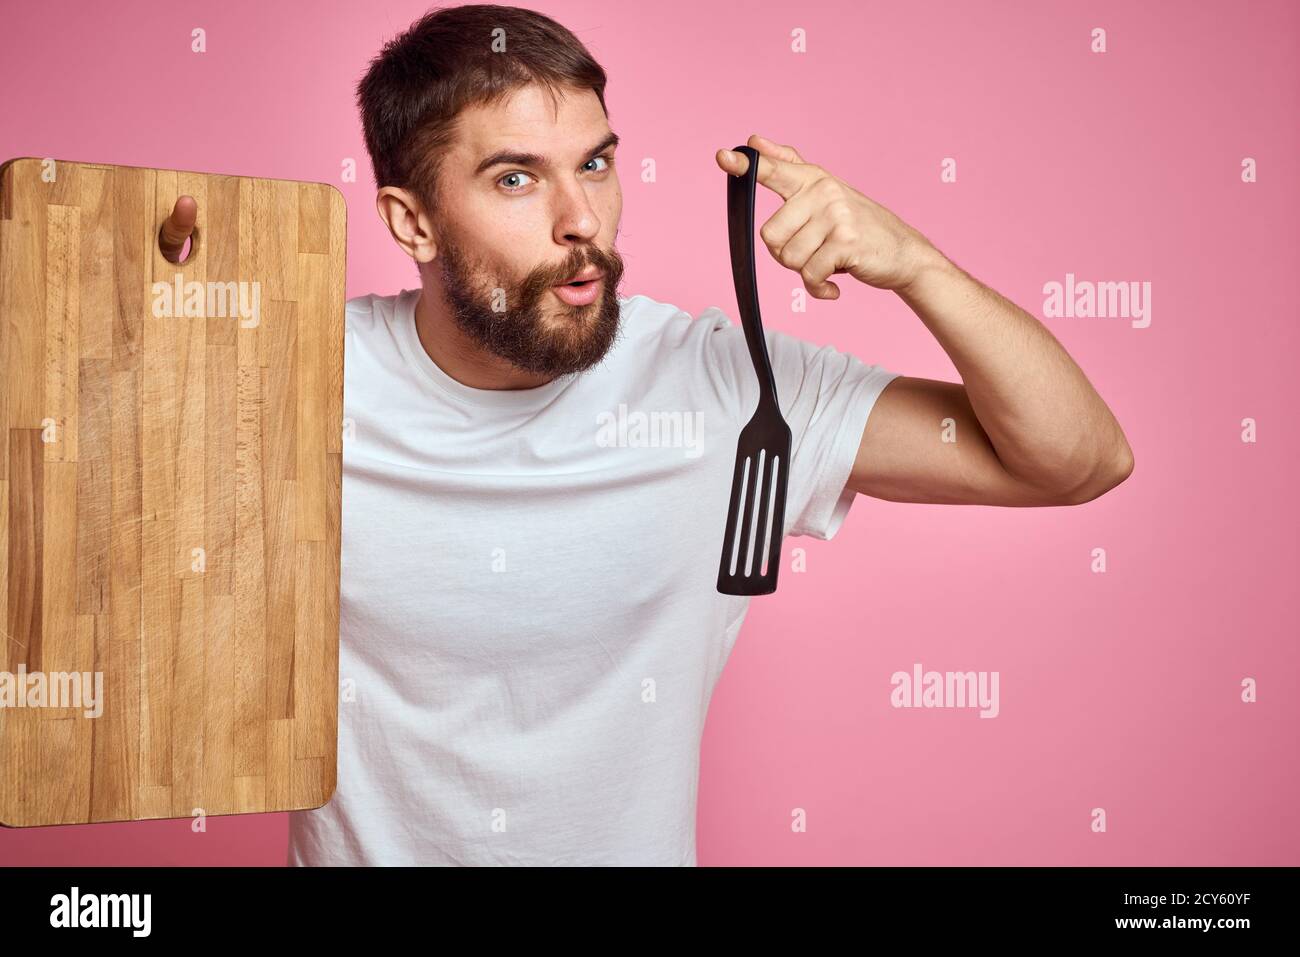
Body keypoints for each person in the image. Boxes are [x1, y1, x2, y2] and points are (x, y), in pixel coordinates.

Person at [159, 4, 1133, 866]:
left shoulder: (723, 384)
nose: (582, 218)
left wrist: (916, 266)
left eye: (594, 162)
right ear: (412, 223)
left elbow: (1076, 459)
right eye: (514, 180)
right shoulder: (291, 377)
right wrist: (130, 302)